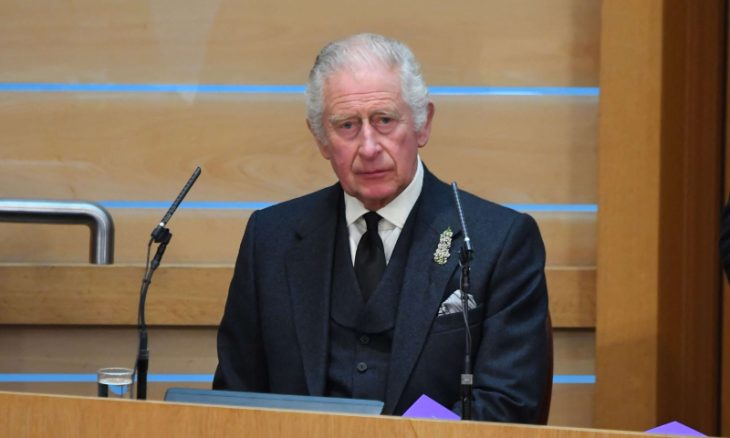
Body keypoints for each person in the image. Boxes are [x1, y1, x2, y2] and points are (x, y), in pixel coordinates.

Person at [213, 33, 551, 423]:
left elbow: (508, 405)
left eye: (385, 121)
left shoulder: (500, 240)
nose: (369, 147)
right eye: (347, 126)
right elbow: (234, 399)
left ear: (423, 124)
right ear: (321, 139)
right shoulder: (270, 238)